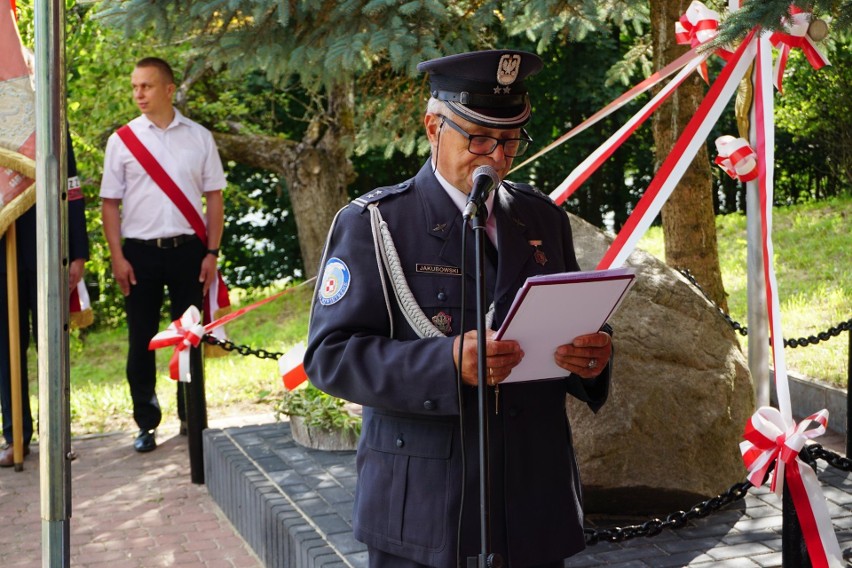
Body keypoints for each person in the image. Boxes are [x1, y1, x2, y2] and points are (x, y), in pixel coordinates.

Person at [305, 50, 614, 567]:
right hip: (426, 504)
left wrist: (592, 358)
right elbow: (330, 356)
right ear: (433, 126)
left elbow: (571, 323)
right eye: (478, 137)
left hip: (531, 498)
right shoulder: (376, 223)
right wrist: (445, 363)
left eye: (511, 140)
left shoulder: (541, 217)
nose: (495, 155)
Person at [100, 57, 226, 453]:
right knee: (141, 341)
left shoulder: (199, 137)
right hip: (139, 255)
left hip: (189, 251)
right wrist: (117, 258)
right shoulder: (121, 140)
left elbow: (215, 198)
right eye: (135, 86)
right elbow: (109, 205)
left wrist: (211, 252)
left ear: (169, 90)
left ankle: (192, 418)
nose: (138, 94)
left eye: (147, 86)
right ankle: (146, 423)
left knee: (188, 339)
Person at [0, 134, 89, 467]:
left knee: (52, 344)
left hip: (47, 245)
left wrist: (77, 250)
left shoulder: (46, 110)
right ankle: (15, 437)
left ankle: (58, 434)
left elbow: (72, 184)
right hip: (2, 247)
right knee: (7, 347)